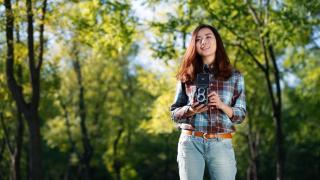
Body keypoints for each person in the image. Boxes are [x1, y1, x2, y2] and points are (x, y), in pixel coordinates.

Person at [170, 24, 246, 180]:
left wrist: (222, 105)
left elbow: (240, 115)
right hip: (190, 142)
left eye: (208, 37)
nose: (203, 41)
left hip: (221, 142)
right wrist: (190, 110)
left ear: (217, 41)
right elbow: (174, 113)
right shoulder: (187, 75)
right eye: (198, 39)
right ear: (194, 46)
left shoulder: (235, 76)